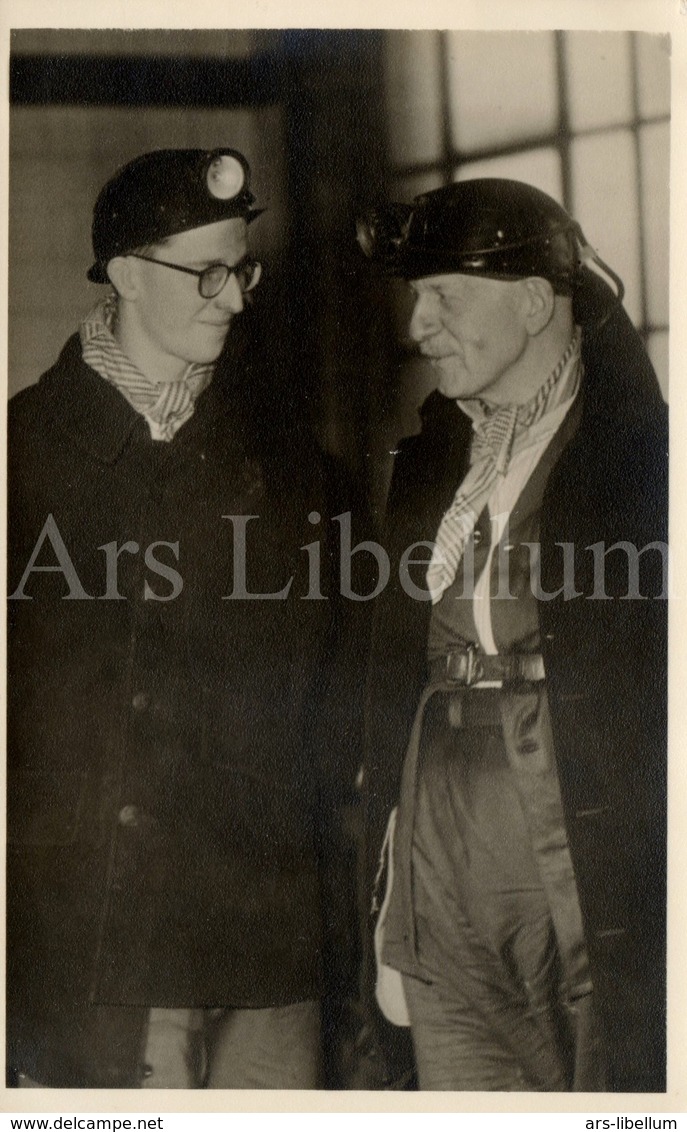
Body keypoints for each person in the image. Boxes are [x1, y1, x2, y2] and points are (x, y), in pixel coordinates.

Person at [7, 147, 354, 1089]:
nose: (234, 300)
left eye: (241, 270)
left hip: (265, 947)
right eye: (205, 272)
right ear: (123, 275)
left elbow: (324, 700)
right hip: (92, 950)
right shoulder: (22, 455)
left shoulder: (291, 469)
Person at [357, 179, 668, 1092]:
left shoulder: (643, 460)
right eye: (417, 297)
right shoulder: (428, 464)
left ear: (536, 303)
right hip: (439, 830)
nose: (419, 324)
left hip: (580, 815)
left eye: (446, 294)